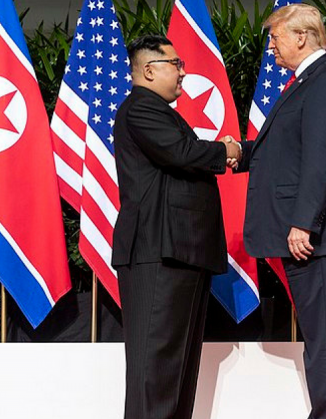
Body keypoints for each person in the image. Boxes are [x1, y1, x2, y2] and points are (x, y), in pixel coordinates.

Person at [230, 4, 326, 419]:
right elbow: (285, 151)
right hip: (304, 232)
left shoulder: (324, 82)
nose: (271, 46)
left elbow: (321, 160)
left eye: (275, 37)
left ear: (301, 37)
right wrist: (236, 153)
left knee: (321, 339)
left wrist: (303, 223)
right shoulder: (307, 81)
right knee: (318, 338)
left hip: (311, 237)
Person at [111, 34, 242, 419]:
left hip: (179, 253)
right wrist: (227, 151)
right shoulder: (141, 108)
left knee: (177, 371)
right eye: (176, 64)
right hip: (158, 254)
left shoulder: (158, 111)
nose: (184, 72)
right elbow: (182, 153)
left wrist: (242, 152)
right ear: (149, 70)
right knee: (156, 371)